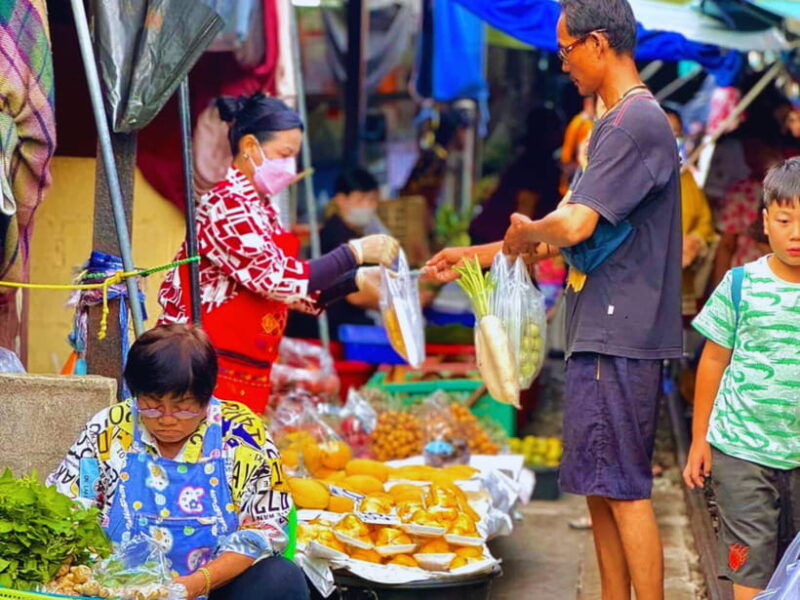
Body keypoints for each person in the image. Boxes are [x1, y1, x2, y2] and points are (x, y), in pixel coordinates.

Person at [428, 2, 681, 597]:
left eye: (565, 49)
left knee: (626, 490)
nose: (562, 63)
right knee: (600, 486)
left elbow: (569, 229)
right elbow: (558, 237)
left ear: (597, 44)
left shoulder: (634, 124)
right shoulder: (611, 123)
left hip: (623, 329)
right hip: (601, 325)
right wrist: (473, 256)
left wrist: (529, 226)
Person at [158, 93, 399, 413]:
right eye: (284, 154)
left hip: (247, 370)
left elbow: (297, 293)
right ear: (249, 147)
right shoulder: (227, 205)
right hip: (202, 367)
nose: (290, 166)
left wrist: (355, 280)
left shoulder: (262, 210)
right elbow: (276, 279)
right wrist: (355, 252)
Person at [47, 325, 309, 599]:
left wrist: (193, 585)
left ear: (207, 396)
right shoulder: (107, 429)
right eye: (152, 404)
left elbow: (265, 529)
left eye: (184, 407)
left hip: (214, 587)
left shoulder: (242, 436)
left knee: (281, 577)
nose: (168, 418)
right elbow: (72, 505)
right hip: (115, 588)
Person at [683, 157, 800, 600]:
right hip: (742, 451)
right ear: (765, 221)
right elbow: (712, 361)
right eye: (785, 220)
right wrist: (700, 439)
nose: (796, 233)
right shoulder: (739, 285)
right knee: (749, 564)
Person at [287, 167, 386, 340]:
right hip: (330, 327)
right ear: (341, 200)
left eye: (372, 200)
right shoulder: (336, 236)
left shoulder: (351, 232)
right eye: (361, 199)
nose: (368, 206)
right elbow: (356, 296)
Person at [469, 105, 564, 245]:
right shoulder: (535, 165)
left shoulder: (534, 161)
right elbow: (524, 209)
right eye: (557, 128)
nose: (562, 133)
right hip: (495, 239)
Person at [662, 105, 717, 316]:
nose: (672, 140)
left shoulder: (684, 176)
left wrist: (694, 241)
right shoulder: (632, 176)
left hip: (680, 279)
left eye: (676, 134)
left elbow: (705, 221)